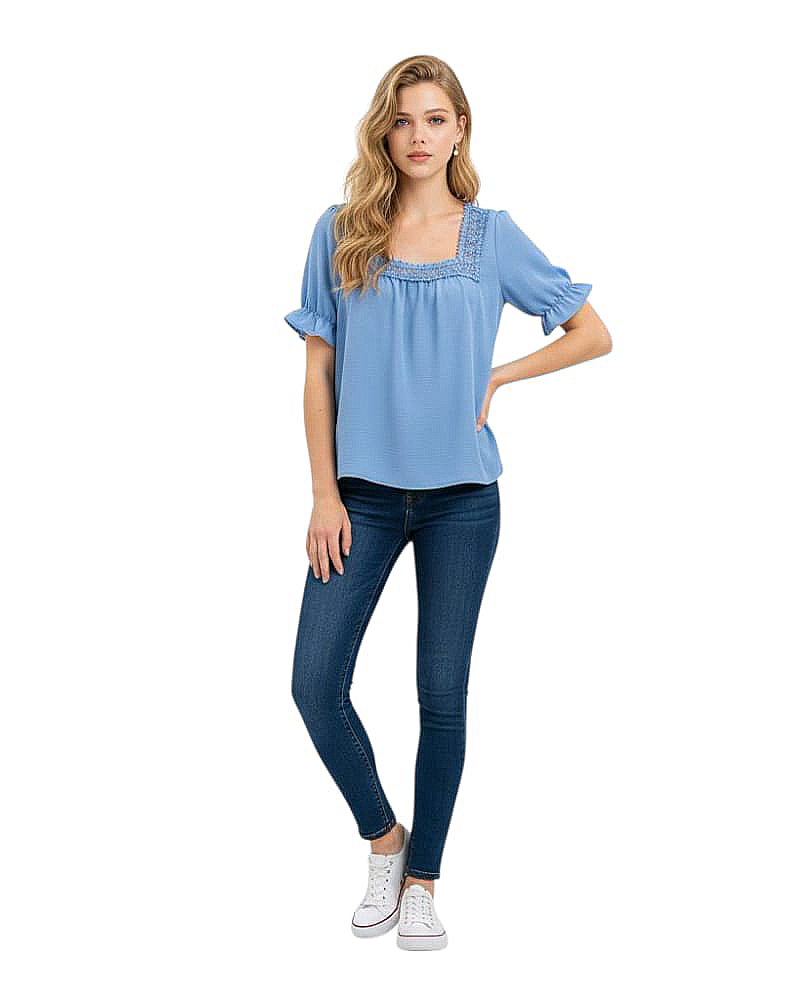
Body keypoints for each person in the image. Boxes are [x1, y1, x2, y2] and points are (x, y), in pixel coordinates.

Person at [285, 55, 612, 951]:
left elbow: (591, 332)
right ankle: (384, 842)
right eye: (402, 120)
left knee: (441, 693)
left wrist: (500, 375)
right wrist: (323, 492)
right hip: (361, 498)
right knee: (314, 682)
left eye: (435, 119)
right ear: (383, 132)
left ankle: (424, 879)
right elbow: (316, 371)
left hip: (464, 499)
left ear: (460, 129)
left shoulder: (492, 236)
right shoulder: (341, 230)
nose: (418, 136)